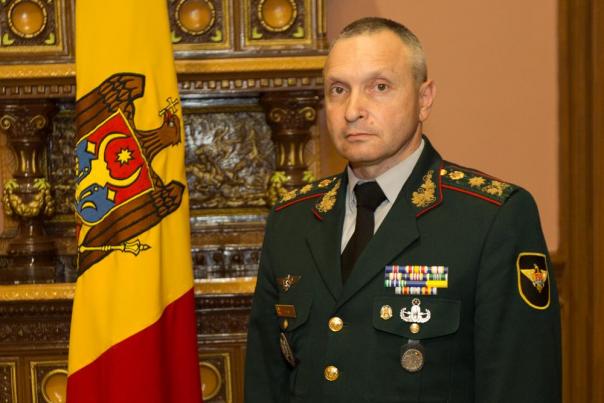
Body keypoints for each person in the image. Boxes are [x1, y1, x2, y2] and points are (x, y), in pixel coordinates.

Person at [244, 17, 561, 403]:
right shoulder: (291, 220)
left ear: (424, 99)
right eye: (338, 90)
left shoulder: (492, 219)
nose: (353, 110)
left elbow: (521, 385)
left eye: (379, 87)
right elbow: (266, 382)